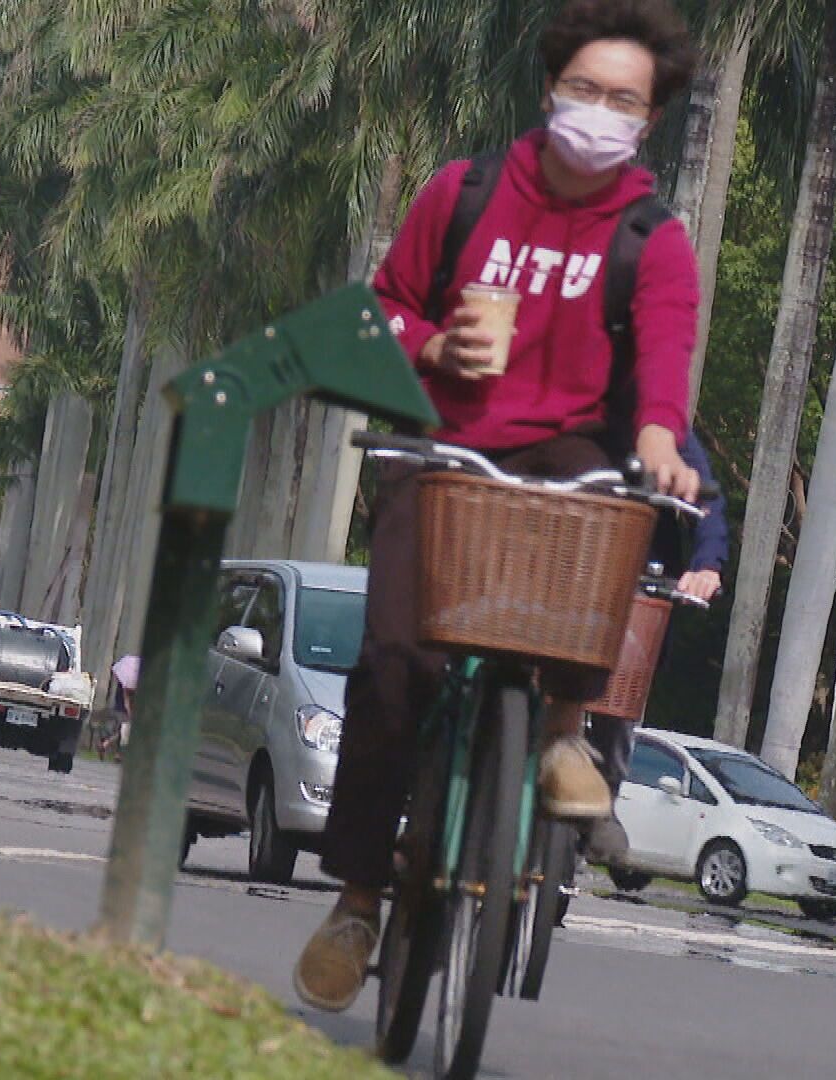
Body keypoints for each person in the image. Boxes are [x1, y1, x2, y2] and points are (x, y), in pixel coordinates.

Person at [293, 0, 702, 1012]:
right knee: (395, 669)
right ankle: (357, 899)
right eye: (585, 89)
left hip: (568, 453)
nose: (600, 112)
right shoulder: (464, 194)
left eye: (624, 101)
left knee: (602, 532)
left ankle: (561, 726)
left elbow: (665, 357)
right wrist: (431, 343)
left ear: (649, 121)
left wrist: (659, 440)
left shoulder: (653, 239)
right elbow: (385, 304)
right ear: (550, 89)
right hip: (442, 448)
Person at [581, 428, 729, 864]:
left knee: (621, 689)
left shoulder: (662, 425)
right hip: (557, 564)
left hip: (636, 579)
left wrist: (707, 566)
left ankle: (603, 794)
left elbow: (705, 501)